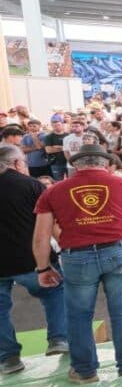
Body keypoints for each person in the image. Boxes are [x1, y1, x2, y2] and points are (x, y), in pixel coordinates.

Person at [32, 144, 122, 383]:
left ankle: (84, 371)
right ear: (106, 164)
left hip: (77, 256)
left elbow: (41, 237)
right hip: (119, 251)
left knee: (79, 315)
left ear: (75, 165)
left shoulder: (54, 191)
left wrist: (43, 268)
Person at [0, 144, 68, 374]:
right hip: (32, 259)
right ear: (17, 163)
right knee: (55, 293)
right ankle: (59, 338)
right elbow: (52, 223)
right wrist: (68, 246)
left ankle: (8, 358)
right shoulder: (31, 185)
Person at [43, 114, 68, 180]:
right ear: (52, 126)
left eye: (58, 125)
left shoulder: (68, 135)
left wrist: (56, 147)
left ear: (62, 125)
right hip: (56, 163)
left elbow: (70, 148)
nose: (57, 127)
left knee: (71, 181)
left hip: (68, 162)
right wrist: (64, 147)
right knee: (58, 181)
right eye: (54, 126)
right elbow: (48, 150)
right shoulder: (49, 137)